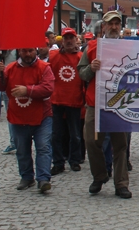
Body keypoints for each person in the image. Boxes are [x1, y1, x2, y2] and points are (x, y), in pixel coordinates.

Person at [78, 11, 132, 199]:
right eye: (111, 24)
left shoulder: (128, 47)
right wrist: (91, 68)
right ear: (104, 27)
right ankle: (100, 176)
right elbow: (82, 74)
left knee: (120, 145)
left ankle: (121, 183)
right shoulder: (92, 47)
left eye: (117, 24)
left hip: (119, 102)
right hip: (96, 103)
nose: (114, 27)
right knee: (92, 142)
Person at [0, 47, 55, 193]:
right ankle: (27, 177)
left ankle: (43, 178)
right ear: (19, 52)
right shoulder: (10, 68)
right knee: (22, 150)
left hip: (42, 116)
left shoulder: (44, 68)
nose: (27, 54)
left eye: (30, 51)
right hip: (18, 116)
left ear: (36, 51)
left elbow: (48, 88)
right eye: (24, 51)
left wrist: (27, 90)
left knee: (43, 147)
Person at [49, 28, 85, 176]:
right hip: (57, 101)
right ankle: (58, 162)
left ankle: (74, 160)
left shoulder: (81, 57)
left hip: (75, 101)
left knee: (75, 134)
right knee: (56, 134)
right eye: (66, 38)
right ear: (62, 41)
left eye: (71, 38)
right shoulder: (54, 56)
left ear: (76, 40)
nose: (69, 41)